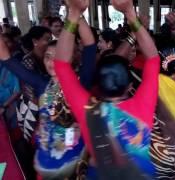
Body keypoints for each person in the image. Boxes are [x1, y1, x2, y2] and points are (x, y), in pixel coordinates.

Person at [53, 0, 160, 179]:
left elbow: (61, 65)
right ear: (130, 87)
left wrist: (73, 13)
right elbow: (153, 58)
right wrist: (130, 13)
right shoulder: (143, 105)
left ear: (98, 87)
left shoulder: (87, 108)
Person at [0, 15, 97, 180]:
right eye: (47, 56)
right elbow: (7, 60)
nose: (52, 61)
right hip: (47, 163)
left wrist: (76, 13)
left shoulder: (81, 82)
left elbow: (90, 46)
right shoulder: (41, 83)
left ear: (71, 58)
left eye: (57, 55)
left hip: (76, 163)